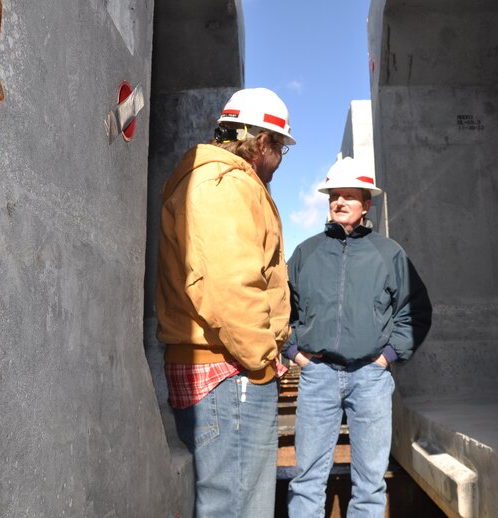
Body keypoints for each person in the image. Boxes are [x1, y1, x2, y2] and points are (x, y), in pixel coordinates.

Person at [156, 87, 295, 517]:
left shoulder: (208, 180)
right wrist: (262, 359)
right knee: (238, 507)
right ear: (263, 142)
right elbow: (228, 285)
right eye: (281, 149)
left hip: (217, 369)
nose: (280, 161)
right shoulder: (226, 183)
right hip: (230, 373)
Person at [285, 156, 432, 517]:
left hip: (370, 378)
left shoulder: (388, 253)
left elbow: (416, 308)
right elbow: (279, 308)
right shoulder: (306, 253)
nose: (340, 202)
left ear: (366, 203)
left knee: (369, 484)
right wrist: (294, 352)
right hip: (318, 375)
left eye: (349, 195)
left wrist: (388, 357)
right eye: (335, 195)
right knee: (306, 480)